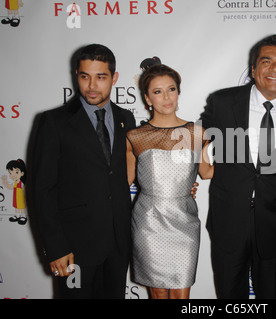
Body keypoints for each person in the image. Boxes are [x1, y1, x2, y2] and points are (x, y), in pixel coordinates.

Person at [200, 34, 276, 299]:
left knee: (270, 294)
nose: (274, 69)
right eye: (266, 61)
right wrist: (194, 170)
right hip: (229, 218)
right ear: (253, 69)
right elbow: (199, 136)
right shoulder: (223, 102)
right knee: (229, 294)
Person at [32, 44, 136, 298]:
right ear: (76, 75)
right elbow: (41, 190)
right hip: (73, 248)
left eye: (100, 77)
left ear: (114, 78)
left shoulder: (126, 118)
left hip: (117, 245)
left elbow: (125, 172)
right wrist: (55, 248)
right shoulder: (53, 121)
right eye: (84, 76)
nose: (91, 85)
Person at [126, 60, 213, 299]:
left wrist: (248, 164)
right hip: (148, 222)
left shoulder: (197, 133)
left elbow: (206, 172)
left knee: (181, 294)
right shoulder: (135, 136)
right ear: (147, 98)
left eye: (171, 89)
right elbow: (124, 182)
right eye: (157, 91)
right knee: (157, 293)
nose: (166, 97)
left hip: (184, 220)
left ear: (178, 92)